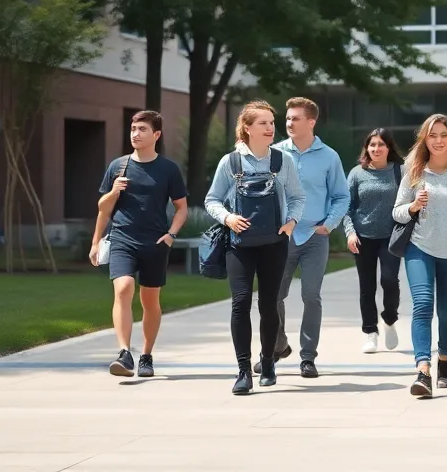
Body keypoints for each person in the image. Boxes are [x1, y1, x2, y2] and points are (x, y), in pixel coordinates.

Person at [205, 101, 305, 395]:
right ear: (247, 128)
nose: (270, 127)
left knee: (269, 304)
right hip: (239, 245)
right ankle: (243, 370)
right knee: (240, 303)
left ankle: (268, 361)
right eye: (263, 123)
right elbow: (211, 200)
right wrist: (228, 218)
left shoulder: (283, 161)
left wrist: (291, 223)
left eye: (272, 122)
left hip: (275, 243)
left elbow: (298, 197)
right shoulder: (231, 162)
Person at [252, 97, 349, 380]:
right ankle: (277, 346)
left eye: (295, 118)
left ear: (311, 122)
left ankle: (308, 357)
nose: (289, 123)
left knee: (311, 296)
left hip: (315, 237)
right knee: (273, 296)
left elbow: (341, 196)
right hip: (281, 238)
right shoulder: (275, 153)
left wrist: (329, 225)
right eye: (287, 118)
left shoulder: (329, 157)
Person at [391, 114, 447, 397]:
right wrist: (413, 206)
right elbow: (397, 212)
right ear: (425, 140)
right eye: (432, 135)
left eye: (444, 135)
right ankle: (423, 370)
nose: (438, 140)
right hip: (419, 247)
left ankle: (444, 359)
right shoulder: (414, 172)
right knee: (422, 305)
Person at [90, 110, 188, 378]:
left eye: (142, 129)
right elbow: (103, 209)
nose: (135, 134)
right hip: (122, 238)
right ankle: (124, 353)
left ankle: (146, 355)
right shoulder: (118, 166)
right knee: (123, 288)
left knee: (150, 301)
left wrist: (171, 235)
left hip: (155, 242)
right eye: (133, 129)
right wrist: (96, 241)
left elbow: (181, 208)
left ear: (156, 134)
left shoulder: (168, 169)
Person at [344, 127, 405, 354]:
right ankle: (370, 332)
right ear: (366, 148)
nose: (376, 149)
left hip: (391, 237)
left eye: (381, 144)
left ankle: (389, 319)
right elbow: (347, 207)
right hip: (362, 238)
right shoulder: (356, 174)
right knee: (366, 287)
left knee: (390, 281)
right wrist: (350, 232)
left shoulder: (400, 171)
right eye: (372, 145)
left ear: (389, 147)